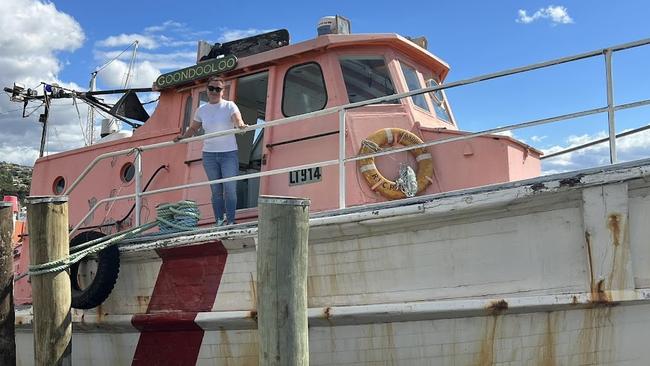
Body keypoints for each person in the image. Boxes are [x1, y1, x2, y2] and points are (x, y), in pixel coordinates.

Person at [174, 77, 247, 225]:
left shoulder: (229, 106)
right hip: (209, 155)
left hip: (229, 153)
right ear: (207, 90)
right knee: (216, 191)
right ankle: (219, 220)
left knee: (230, 189)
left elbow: (237, 120)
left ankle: (231, 221)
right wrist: (182, 137)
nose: (214, 91)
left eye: (218, 89)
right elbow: (194, 128)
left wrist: (241, 125)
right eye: (211, 88)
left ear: (223, 91)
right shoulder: (201, 110)